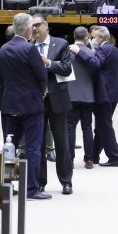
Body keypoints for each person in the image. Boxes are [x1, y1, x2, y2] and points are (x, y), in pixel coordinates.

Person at [0, 13, 50, 200]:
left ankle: (6, 185)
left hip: (9, 105)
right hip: (31, 105)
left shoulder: (1, 51)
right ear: (26, 29)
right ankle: (31, 189)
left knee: (9, 147)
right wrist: (40, 91)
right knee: (33, 147)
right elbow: (42, 76)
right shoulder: (30, 49)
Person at [31, 15, 74, 195]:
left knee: (62, 143)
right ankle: (40, 183)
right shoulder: (28, 46)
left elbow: (66, 68)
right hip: (36, 101)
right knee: (38, 144)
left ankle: (66, 181)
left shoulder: (61, 44)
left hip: (57, 99)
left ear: (47, 26)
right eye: (32, 26)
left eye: (38, 25)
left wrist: (48, 62)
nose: (35, 29)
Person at [69, 25, 118, 167]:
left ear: (101, 37)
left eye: (94, 37)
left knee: (105, 125)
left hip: (104, 94)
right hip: (112, 93)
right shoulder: (114, 49)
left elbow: (95, 63)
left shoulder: (104, 49)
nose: (92, 39)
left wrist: (78, 51)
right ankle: (94, 156)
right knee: (100, 126)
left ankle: (114, 157)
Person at [67, 26, 95, 169]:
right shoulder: (91, 53)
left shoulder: (66, 52)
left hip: (71, 94)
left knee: (70, 128)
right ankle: (89, 159)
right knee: (87, 127)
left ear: (74, 36)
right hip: (88, 95)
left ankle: (70, 159)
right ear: (86, 37)